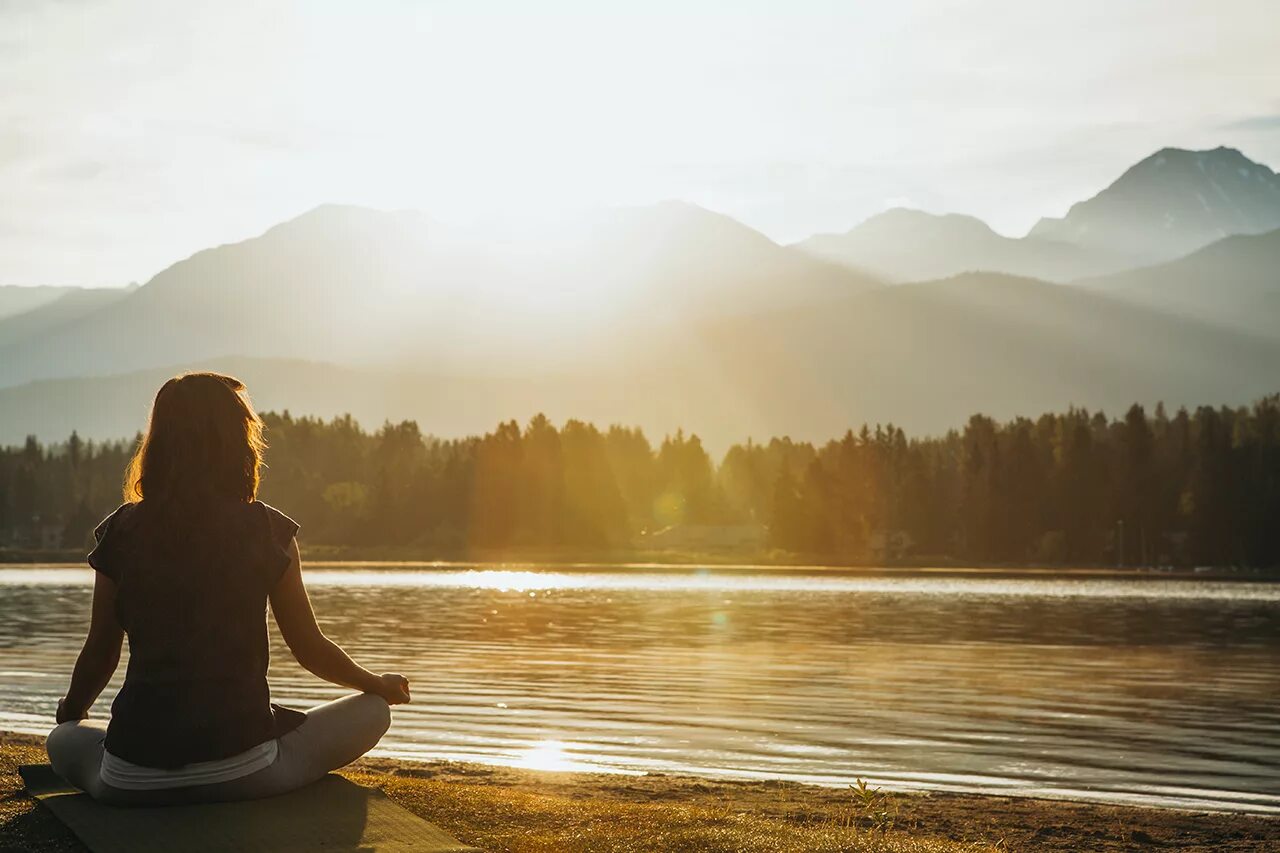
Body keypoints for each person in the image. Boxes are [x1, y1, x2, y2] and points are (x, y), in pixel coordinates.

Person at [45, 372, 410, 805]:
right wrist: (377, 684)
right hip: (246, 770)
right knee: (372, 711)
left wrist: (72, 710)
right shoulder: (268, 530)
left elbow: (101, 651)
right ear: (239, 440)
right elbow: (309, 647)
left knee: (63, 738)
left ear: (159, 441)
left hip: (130, 780)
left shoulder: (120, 531)